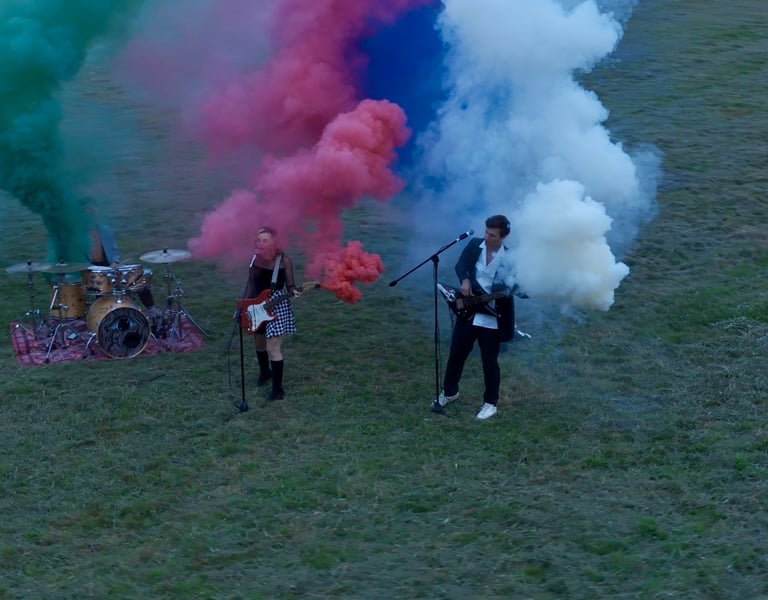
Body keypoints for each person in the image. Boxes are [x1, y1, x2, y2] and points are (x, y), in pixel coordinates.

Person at [438, 214, 515, 420]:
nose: (486, 237)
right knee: (456, 353)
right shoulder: (474, 245)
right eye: (486, 232)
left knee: (489, 361)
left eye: (492, 235)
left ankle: (490, 403)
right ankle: (450, 392)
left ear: (503, 237)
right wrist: (464, 280)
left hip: (492, 318)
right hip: (469, 312)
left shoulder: (511, 259)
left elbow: (518, 288)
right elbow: (461, 265)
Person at [245, 226, 301, 401]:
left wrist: (294, 291)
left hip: (277, 307)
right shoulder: (254, 259)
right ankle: (265, 372)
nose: (260, 244)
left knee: (272, 348)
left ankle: (278, 390)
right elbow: (251, 285)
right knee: (259, 343)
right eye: (258, 240)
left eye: (265, 240)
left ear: (274, 242)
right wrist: (244, 305)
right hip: (257, 305)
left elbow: (290, 285)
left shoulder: (283, 261)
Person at [86, 202, 161, 318]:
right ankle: (102, 314)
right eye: (87, 213)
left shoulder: (106, 230)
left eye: (93, 212)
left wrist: (114, 262)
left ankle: (152, 310)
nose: (91, 215)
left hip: (109, 265)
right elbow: (77, 257)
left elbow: (115, 251)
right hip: (90, 269)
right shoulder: (77, 234)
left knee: (138, 275)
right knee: (104, 289)